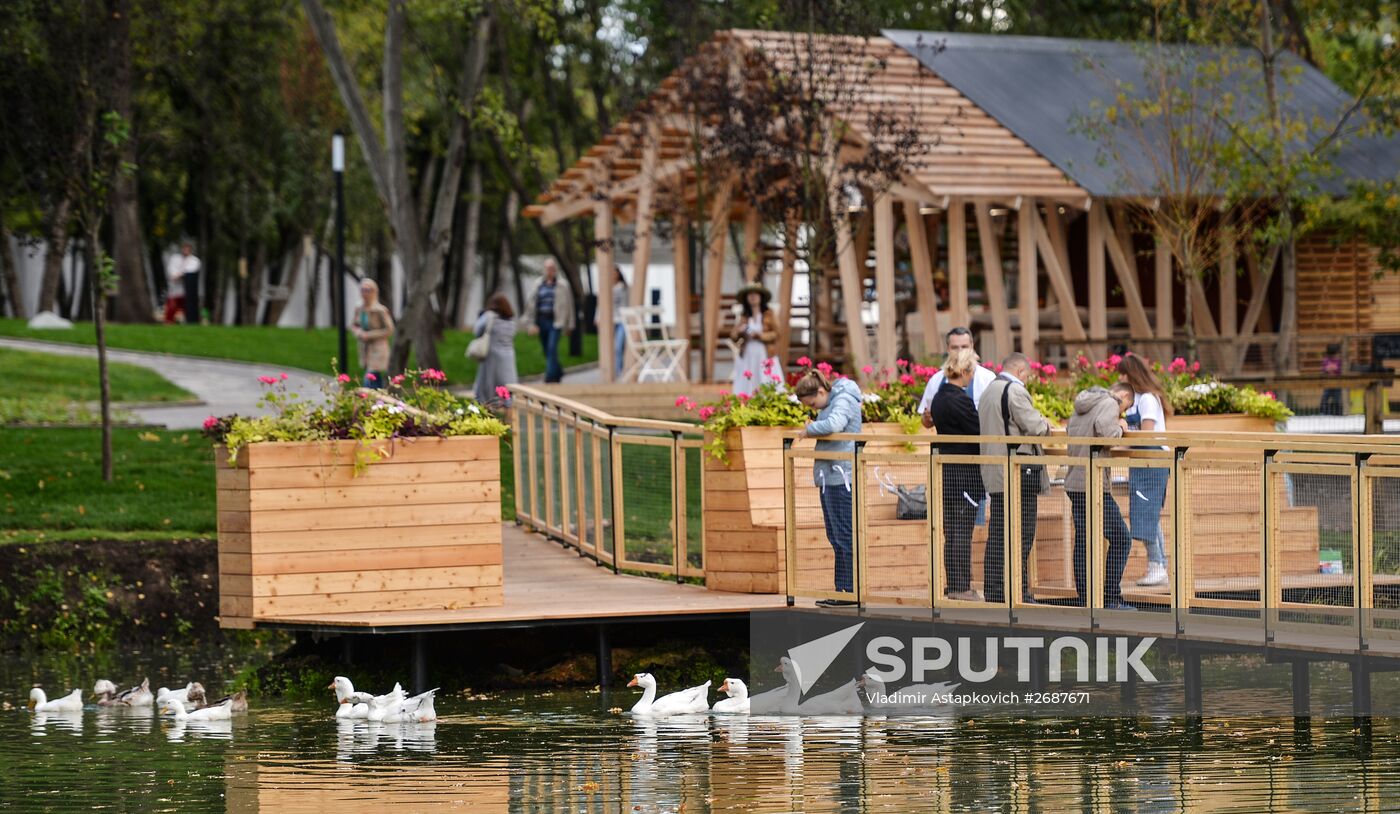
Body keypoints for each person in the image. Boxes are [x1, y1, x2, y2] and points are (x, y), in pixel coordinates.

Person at [979, 353, 1052, 604]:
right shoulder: (1015, 391)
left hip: (995, 470)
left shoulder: (988, 391)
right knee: (1022, 534)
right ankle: (1018, 593)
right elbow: (1035, 427)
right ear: (1021, 371)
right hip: (1017, 472)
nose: (1027, 380)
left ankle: (995, 591)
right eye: (1027, 376)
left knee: (999, 533)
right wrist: (1046, 424)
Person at [1065, 381, 1137, 610]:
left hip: (1075, 481)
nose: (1122, 412)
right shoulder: (1109, 402)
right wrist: (1121, 427)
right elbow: (1107, 434)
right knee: (1121, 538)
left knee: (1084, 541)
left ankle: (1086, 599)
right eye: (1126, 407)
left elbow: (1069, 430)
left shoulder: (1083, 403)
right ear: (1124, 395)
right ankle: (1110, 598)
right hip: (1093, 483)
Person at [795, 368, 863, 607]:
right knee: (835, 536)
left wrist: (809, 429)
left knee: (844, 534)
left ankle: (850, 591)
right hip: (830, 477)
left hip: (841, 476)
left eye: (813, 403)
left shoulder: (843, 399)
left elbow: (835, 424)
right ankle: (842, 590)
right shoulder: (831, 403)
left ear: (822, 392)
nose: (814, 409)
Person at [925, 347, 985, 601]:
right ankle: (960, 587)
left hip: (948, 472)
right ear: (964, 371)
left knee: (952, 530)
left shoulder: (939, 397)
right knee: (961, 530)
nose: (972, 376)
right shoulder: (959, 399)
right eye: (971, 371)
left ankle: (955, 584)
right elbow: (978, 430)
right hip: (964, 473)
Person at [1117, 353, 1171, 587]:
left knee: (1147, 513)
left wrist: (1122, 438)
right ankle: (1157, 564)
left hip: (1153, 460)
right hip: (1141, 461)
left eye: (1122, 374)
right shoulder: (1135, 399)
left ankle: (1157, 565)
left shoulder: (1148, 398)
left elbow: (1146, 433)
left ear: (1131, 374)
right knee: (1146, 514)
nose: (1120, 378)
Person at [916, 327, 998, 412]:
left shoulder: (987, 378)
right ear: (948, 349)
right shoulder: (936, 380)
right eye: (955, 347)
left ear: (972, 347)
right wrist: (927, 416)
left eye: (964, 347)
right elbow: (924, 413)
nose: (960, 351)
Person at [527, 259, 574, 383]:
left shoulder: (563, 285)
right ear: (544, 269)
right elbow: (531, 305)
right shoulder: (538, 284)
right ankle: (558, 371)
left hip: (556, 322)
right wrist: (531, 324)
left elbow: (569, 305)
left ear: (555, 270)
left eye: (552, 268)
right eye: (548, 268)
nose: (550, 271)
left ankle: (549, 378)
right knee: (546, 350)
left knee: (552, 348)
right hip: (541, 321)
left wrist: (570, 325)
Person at [730, 284, 777, 398]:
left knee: (764, 378)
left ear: (761, 297)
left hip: (764, 352)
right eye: (750, 294)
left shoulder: (769, 314)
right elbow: (733, 336)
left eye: (755, 294)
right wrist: (740, 331)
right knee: (747, 379)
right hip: (748, 353)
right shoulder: (744, 317)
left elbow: (776, 333)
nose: (753, 297)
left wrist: (760, 335)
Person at [473, 294, 518, 407]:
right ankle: (507, 406)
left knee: (488, 384)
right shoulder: (511, 322)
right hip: (508, 357)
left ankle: (486, 407)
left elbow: (476, 330)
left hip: (492, 356)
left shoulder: (489, 316)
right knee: (507, 384)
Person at [351, 278, 394, 388]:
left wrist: (369, 335)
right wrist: (358, 333)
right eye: (363, 290)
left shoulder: (380, 310)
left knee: (370, 376)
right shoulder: (359, 308)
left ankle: (368, 396)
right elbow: (354, 325)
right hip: (365, 347)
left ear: (374, 291)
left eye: (368, 290)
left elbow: (389, 329)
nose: (365, 293)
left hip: (378, 348)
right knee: (375, 377)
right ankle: (379, 397)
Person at [174, 242, 202, 324]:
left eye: (187, 249)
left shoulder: (194, 260)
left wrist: (180, 274)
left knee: (191, 302)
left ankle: (192, 320)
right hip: (181, 285)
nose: (185, 251)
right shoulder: (179, 260)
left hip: (191, 286)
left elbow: (190, 270)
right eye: (184, 249)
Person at [162, 250, 186, 324]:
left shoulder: (191, 261)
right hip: (173, 289)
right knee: (172, 305)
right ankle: (169, 321)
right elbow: (173, 275)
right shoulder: (174, 261)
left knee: (183, 305)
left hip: (183, 290)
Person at [613, 273, 630, 378]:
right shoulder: (607, 287)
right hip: (610, 320)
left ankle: (619, 370)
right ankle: (616, 369)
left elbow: (627, 303)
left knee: (619, 346)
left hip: (621, 320)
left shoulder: (623, 288)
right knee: (614, 347)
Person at [1320, 343, 1344, 416]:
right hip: (1328, 383)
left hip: (1337, 383)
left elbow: (1341, 370)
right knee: (1325, 398)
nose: (1334, 357)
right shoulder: (1326, 361)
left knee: (1337, 399)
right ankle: (1323, 413)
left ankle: (1338, 413)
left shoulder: (1339, 361)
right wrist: (1326, 369)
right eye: (1332, 355)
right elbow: (1323, 369)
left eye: (1335, 355)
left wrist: (1336, 369)